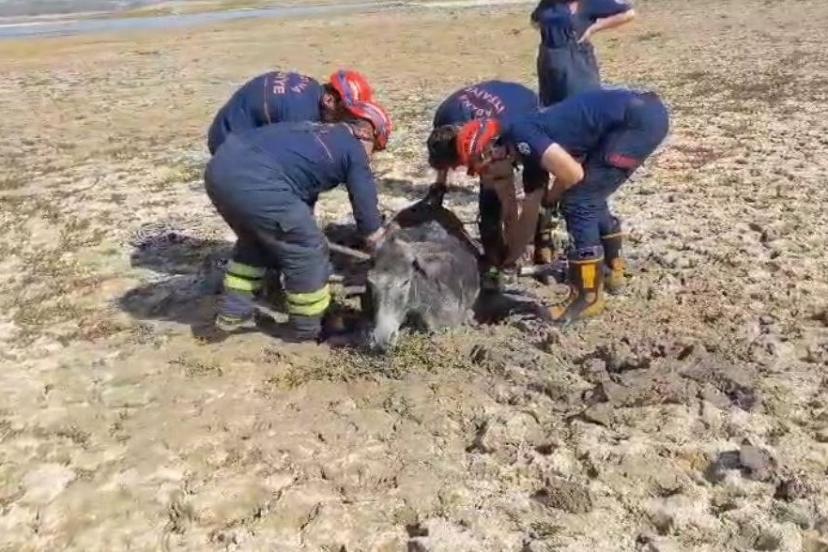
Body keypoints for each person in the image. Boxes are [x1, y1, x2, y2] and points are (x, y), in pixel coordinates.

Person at [453, 88, 669, 323]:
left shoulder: (524, 137)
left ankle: (587, 296)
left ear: (493, 150)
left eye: (484, 169)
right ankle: (612, 270)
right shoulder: (520, 132)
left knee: (580, 202)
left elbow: (573, 175)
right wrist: (551, 199)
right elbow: (574, 159)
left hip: (636, 123)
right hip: (641, 114)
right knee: (591, 194)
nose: (487, 177)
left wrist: (555, 201)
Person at [204, 100, 392, 342]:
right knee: (308, 249)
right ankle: (308, 329)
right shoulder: (354, 151)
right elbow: (369, 223)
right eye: (375, 149)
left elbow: (299, 190)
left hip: (221, 169)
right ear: (368, 133)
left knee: (258, 239)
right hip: (255, 181)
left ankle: (233, 311)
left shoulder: (314, 131)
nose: (371, 157)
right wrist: (383, 247)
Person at [425, 80, 542, 287]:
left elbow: (509, 201)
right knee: (486, 173)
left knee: (524, 183)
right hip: (498, 93)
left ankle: (540, 235)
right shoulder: (445, 116)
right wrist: (439, 186)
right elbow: (443, 151)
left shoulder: (498, 137)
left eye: (459, 165)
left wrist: (512, 254)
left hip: (523, 105)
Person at [207, 69, 375, 155]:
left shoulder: (311, 88)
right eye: (346, 115)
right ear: (330, 101)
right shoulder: (302, 116)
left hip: (227, 127)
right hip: (227, 145)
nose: (344, 122)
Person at [531, 0, 635, 107]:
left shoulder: (589, 2)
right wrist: (552, 32)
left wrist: (593, 28)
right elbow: (535, 20)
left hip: (575, 59)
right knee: (552, 106)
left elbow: (628, 13)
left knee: (582, 102)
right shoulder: (548, 3)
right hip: (549, 58)